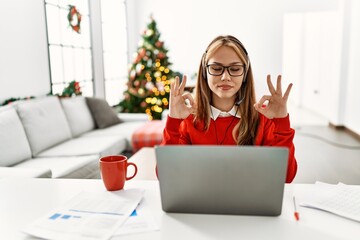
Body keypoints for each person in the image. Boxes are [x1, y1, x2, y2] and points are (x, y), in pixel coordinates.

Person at [161, 35, 297, 183]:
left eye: (235, 68)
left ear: (245, 74)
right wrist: (173, 121)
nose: (225, 77)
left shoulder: (264, 116)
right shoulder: (187, 118)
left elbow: (285, 178)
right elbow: (166, 175)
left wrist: (281, 122)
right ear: (205, 73)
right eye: (216, 68)